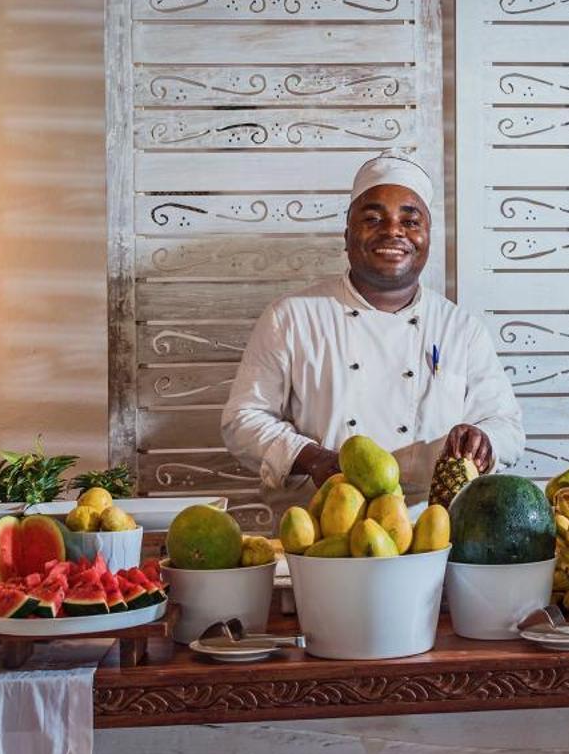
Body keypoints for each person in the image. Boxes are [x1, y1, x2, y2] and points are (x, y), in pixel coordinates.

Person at [222, 153, 524, 506]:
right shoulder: (291, 318)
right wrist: (313, 457)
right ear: (347, 234)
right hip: (321, 528)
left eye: (410, 221)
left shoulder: (461, 328)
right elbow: (242, 421)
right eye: (373, 218)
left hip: (434, 529)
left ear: (427, 236)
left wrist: (483, 438)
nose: (393, 231)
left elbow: (508, 427)